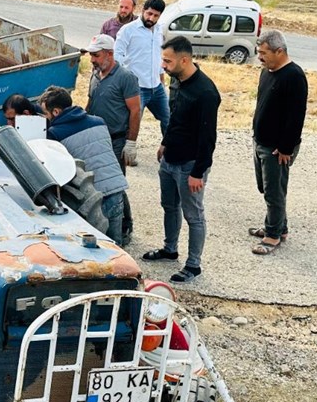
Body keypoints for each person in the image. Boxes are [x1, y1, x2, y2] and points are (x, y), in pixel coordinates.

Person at [143, 37, 220, 283]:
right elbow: (174, 118)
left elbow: (208, 137)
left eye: (168, 60)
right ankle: (170, 249)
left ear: (184, 60)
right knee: (169, 207)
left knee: (194, 215)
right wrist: (164, 143)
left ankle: (193, 265)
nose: (163, 65)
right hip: (169, 159)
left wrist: (198, 172)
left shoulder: (206, 92)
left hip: (190, 165)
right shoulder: (177, 82)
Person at [41, 86, 128, 243]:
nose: (45, 119)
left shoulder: (55, 133)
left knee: (96, 248)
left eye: (46, 114)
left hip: (92, 197)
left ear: (56, 112)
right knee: (116, 246)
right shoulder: (99, 122)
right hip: (115, 189)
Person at [249, 30, 308, 255]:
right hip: (260, 141)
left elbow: (296, 116)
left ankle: (272, 236)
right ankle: (278, 227)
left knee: (274, 191)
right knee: (266, 187)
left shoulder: (293, 76)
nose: (260, 57)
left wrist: (285, 147)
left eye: (264, 53)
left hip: (277, 148)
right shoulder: (267, 72)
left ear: (279, 51)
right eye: (258, 52)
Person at [83, 34, 141, 245]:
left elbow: (135, 111)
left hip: (116, 139)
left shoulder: (125, 77)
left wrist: (131, 142)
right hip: (98, 139)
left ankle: (125, 226)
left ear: (109, 54)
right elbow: (90, 104)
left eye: (96, 55)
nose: (92, 60)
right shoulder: (95, 75)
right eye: (91, 55)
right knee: (101, 182)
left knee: (115, 185)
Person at [115, 0, 171, 145]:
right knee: (132, 123)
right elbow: (117, 55)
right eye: (149, 13)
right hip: (137, 88)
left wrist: (162, 79)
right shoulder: (128, 30)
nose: (151, 18)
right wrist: (126, 80)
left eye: (156, 16)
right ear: (143, 10)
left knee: (169, 118)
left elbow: (158, 56)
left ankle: (169, 151)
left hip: (156, 87)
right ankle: (126, 152)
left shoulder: (159, 30)